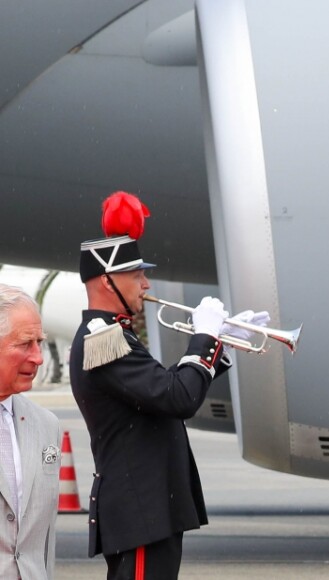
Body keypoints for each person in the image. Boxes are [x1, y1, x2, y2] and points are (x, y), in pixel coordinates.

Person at [69, 191, 269, 580]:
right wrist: (205, 339)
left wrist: (219, 343)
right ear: (107, 282)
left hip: (147, 506)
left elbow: (161, 389)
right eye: (136, 275)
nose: (145, 284)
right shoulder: (102, 339)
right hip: (140, 506)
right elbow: (178, 398)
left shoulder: (114, 336)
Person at [0, 283, 61, 580]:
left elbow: (45, 539)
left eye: (39, 342)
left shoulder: (46, 425)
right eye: (25, 344)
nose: (38, 358)